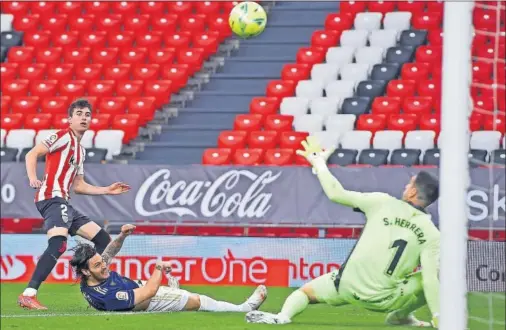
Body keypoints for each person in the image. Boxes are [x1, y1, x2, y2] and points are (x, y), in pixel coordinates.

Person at [246, 136, 441, 328]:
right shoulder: (432, 234)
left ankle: (283, 317)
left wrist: (319, 163)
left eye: (410, 184)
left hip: (345, 287)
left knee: (304, 293)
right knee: (436, 275)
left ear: (413, 192)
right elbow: (431, 281)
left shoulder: (382, 202)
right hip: (387, 299)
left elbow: (336, 194)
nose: (406, 186)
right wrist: (440, 317)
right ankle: (400, 316)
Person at [18, 99, 131, 310]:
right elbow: (32, 153)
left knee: (103, 240)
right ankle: (28, 294)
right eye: (79, 114)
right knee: (58, 243)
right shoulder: (62, 136)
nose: (84, 117)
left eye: (87, 114)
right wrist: (33, 178)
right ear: (70, 119)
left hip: (64, 202)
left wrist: (106, 190)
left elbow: (78, 186)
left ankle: (94, 285)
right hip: (51, 197)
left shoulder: (80, 150)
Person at [70, 224, 267, 314]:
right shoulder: (106, 295)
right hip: (150, 301)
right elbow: (149, 292)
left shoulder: (91, 275)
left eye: (100, 262)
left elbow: (109, 253)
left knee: (156, 286)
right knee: (198, 300)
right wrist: (159, 267)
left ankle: (174, 289)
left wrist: (122, 236)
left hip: (137, 289)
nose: (104, 265)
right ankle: (244, 308)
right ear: (86, 271)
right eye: (98, 265)